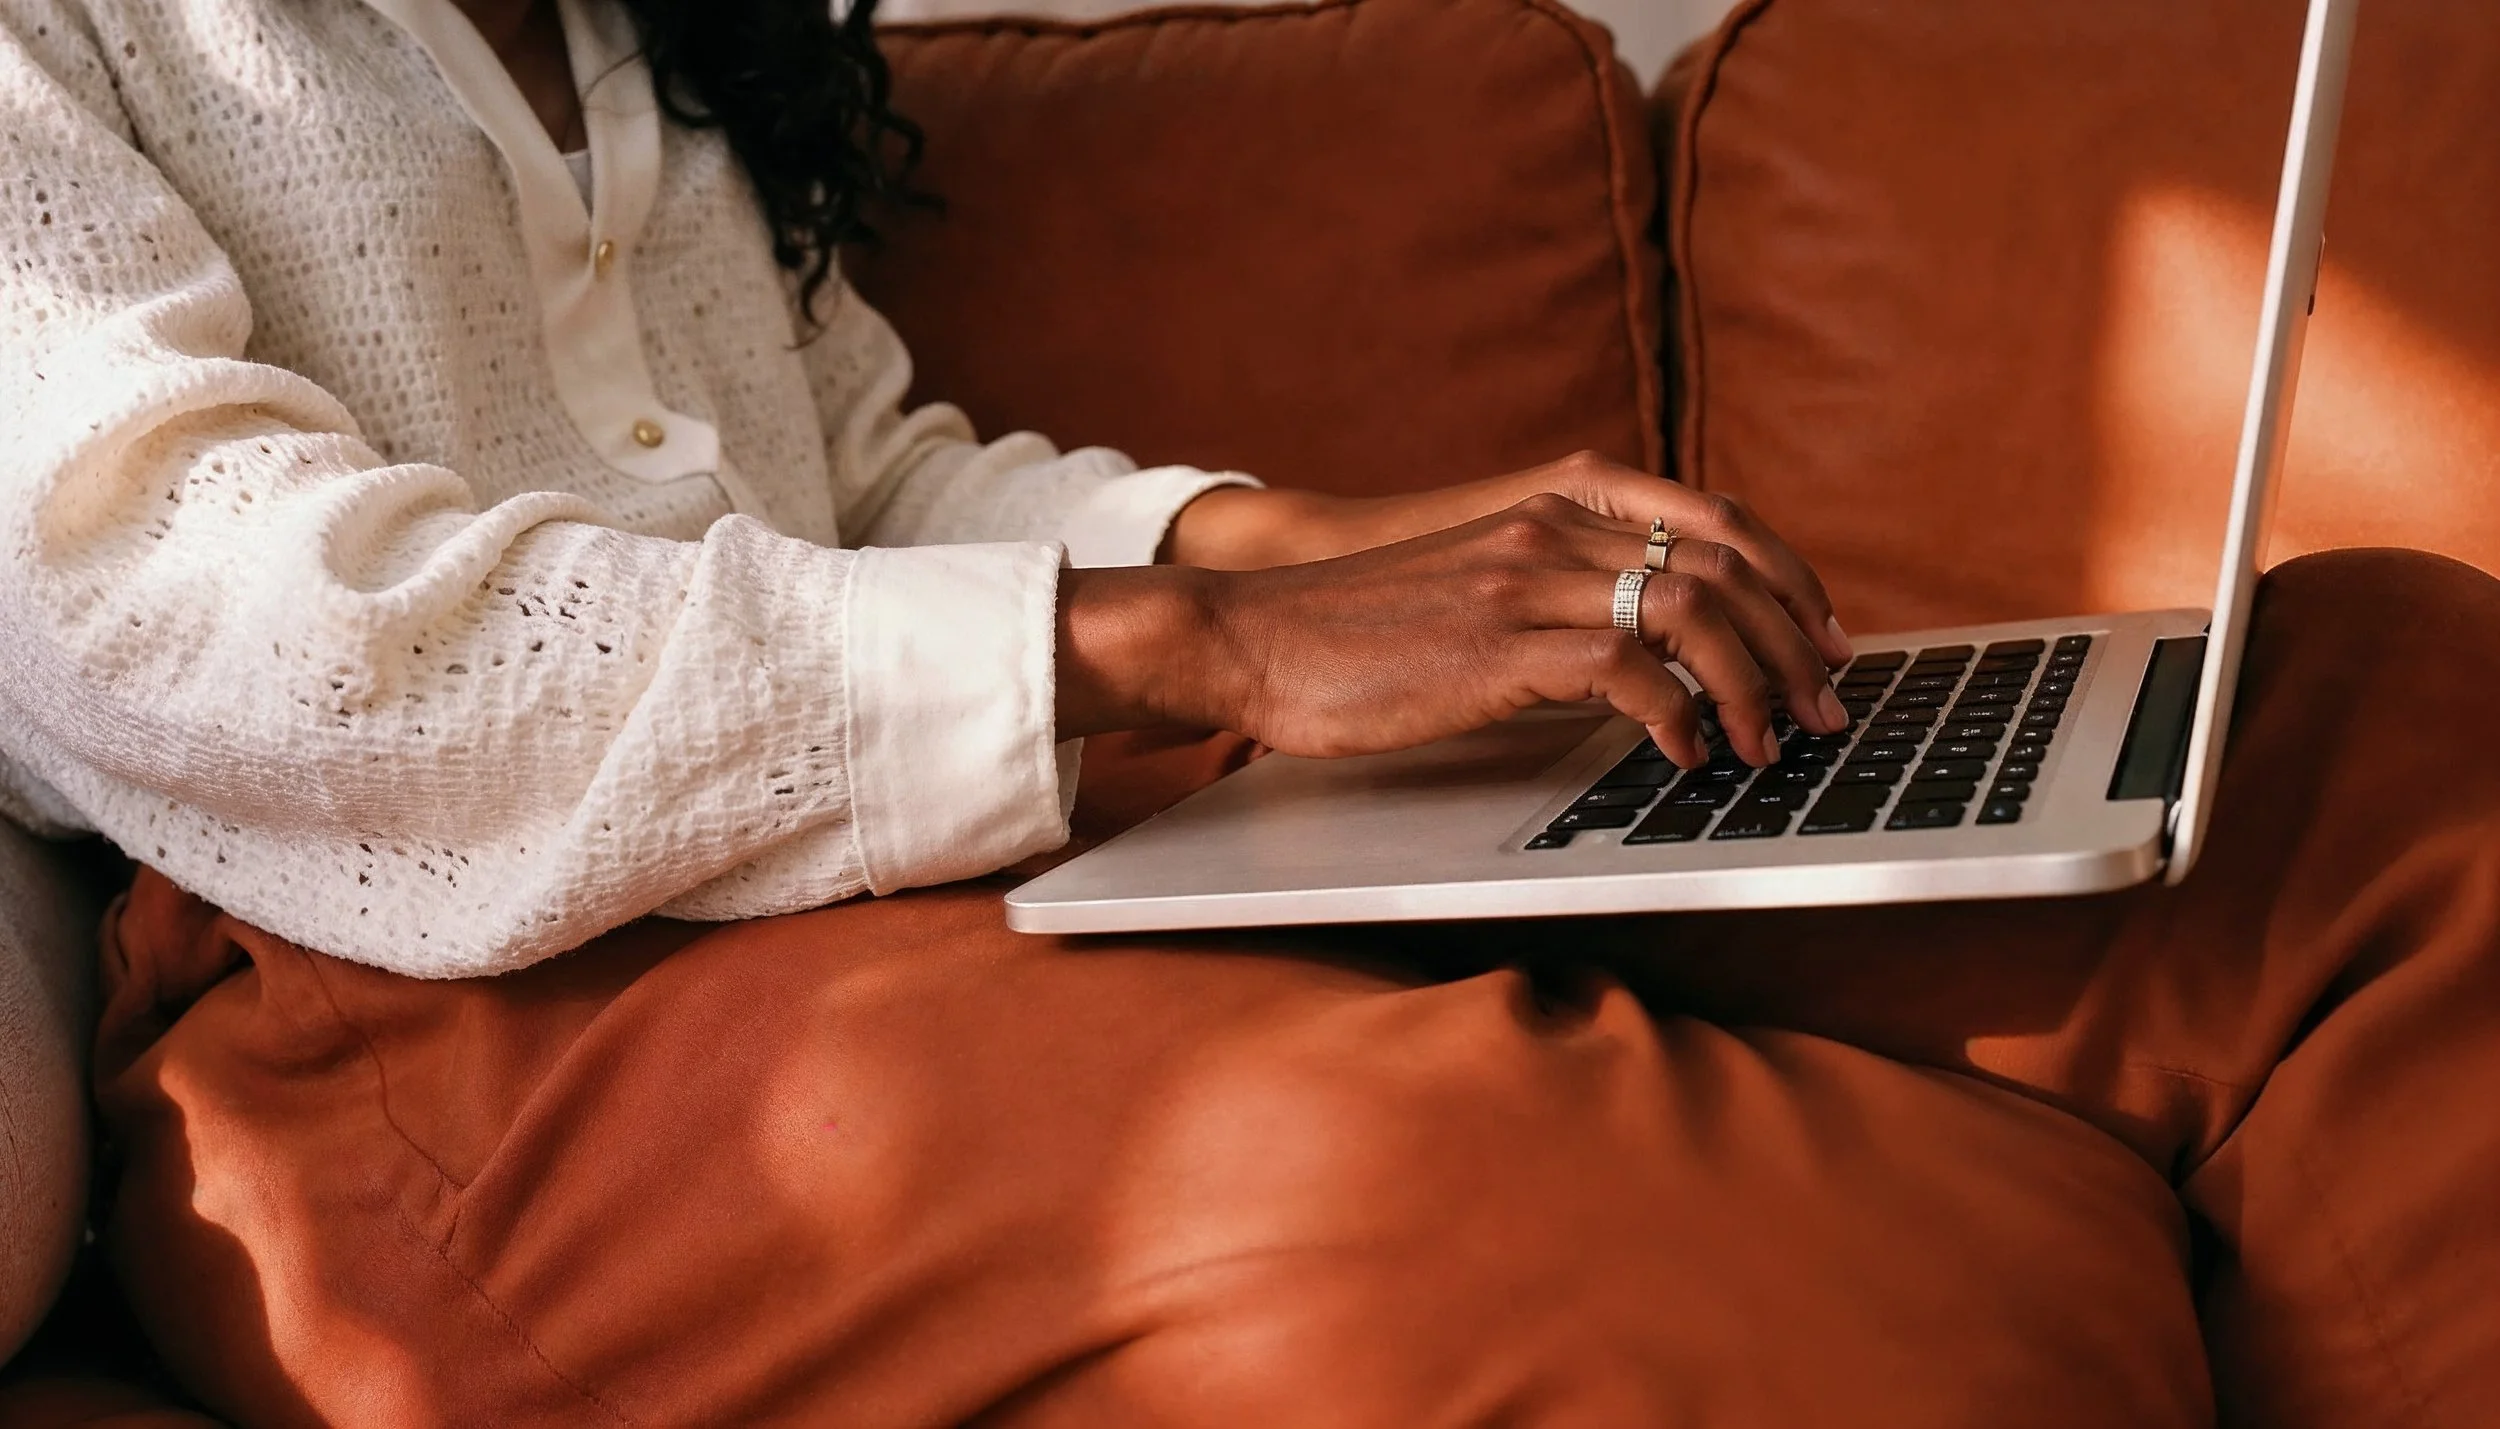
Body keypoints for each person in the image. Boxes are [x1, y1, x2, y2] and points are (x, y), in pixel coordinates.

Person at [5, 0, 2496, 1423]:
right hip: (433, 997)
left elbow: (848, 473)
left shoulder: (634, 22)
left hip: (937, 799)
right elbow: (194, 621)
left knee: (2366, 731)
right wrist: (1208, 654)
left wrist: (1341, 563)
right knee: (1878, 1294)